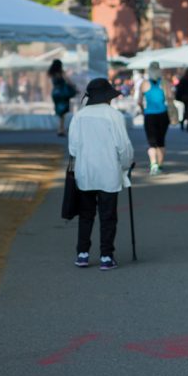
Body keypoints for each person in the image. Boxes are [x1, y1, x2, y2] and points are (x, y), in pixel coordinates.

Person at [68, 79, 134, 271]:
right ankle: (106, 256)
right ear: (107, 97)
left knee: (86, 214)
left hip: (85, 171)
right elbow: (123, 146)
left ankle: (82, 254)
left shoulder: (79, 116)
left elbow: (73, 148)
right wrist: (126, 165)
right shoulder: (113, 115)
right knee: (108, 215)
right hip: (109, 171)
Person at [137, 61, 175, 175]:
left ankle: (154, 165)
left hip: (149, 115)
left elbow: (139, 101)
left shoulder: (144, 84)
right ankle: (160, 164)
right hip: (163, 114)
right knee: (161, 141)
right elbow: (170, 98)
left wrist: (144, 111)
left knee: (152, 143)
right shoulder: (165, 83)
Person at [49, 59, 77, 137]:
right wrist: (75, 87)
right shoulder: (61, 73)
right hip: (62, 93)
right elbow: (68, 81)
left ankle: (60, 128)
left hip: (55, 93)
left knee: (59, 111)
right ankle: (60, 129)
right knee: (63, 111)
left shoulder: (52, 73)